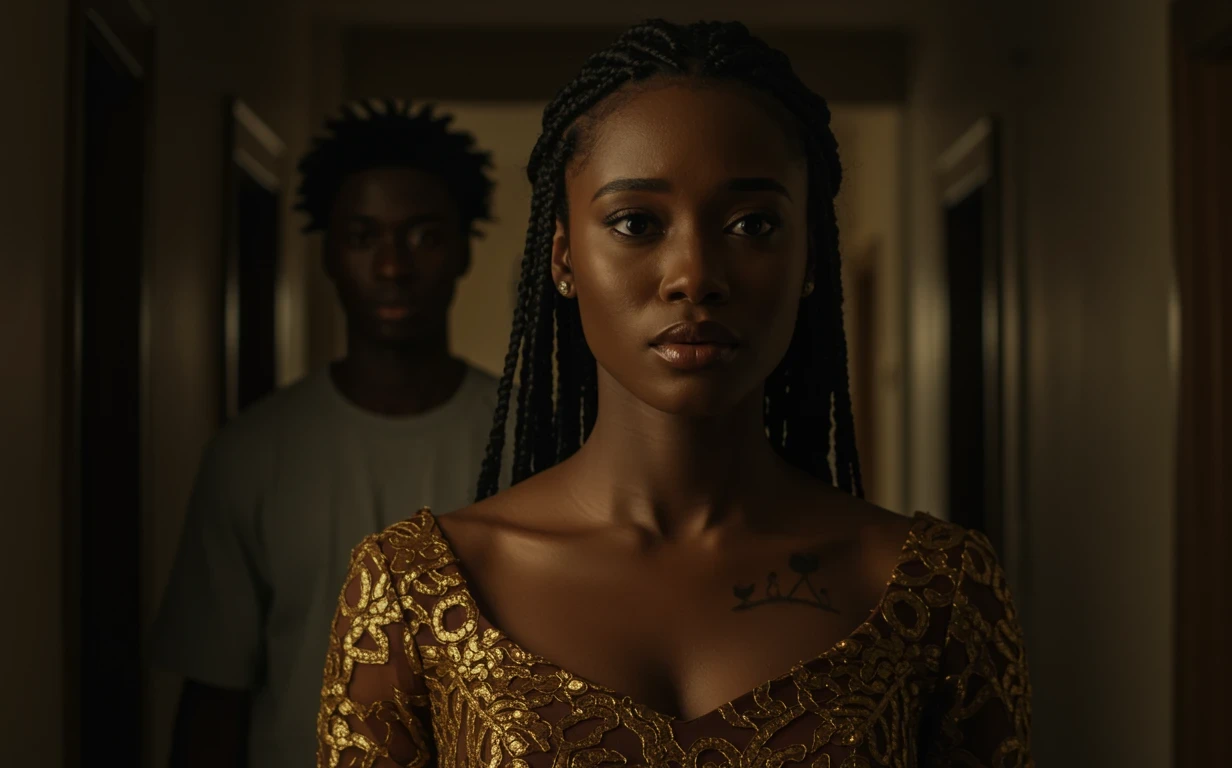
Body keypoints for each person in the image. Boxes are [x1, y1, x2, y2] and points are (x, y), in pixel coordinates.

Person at [317, 20, 1035, 768]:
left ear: (810, 257)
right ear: (563, 258)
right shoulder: (415, 593)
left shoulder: (935, 591)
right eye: (636, 223)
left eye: (752, 223)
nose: (694, 274)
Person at [152, 100, 502, 768]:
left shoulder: (531, 437)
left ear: (462, 249)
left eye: (424, 235)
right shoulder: (251, 454)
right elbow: (215, 696)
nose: (394, 265)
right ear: (329, 255)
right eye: (364, 236)